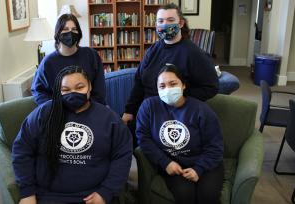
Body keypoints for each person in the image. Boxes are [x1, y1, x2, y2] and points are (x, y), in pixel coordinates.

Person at [13, 66, 132, 204]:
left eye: (80, 87)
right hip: (48, 195)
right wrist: (27, 193)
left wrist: (106, 192)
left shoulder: (109, 118)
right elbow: (22, 150)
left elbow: (122, 156)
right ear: (58, 91)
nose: (73, 93)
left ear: (90, 87)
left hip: (94, 195)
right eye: (65, 90)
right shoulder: (43, 113)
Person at [136, 64, 223, 204]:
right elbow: (143, 138)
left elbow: (215, 146)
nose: (168, 89)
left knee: (208, 197)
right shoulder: (148, 107)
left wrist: (198, 169)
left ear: (183, 85)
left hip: (206, 163)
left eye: (173, 84)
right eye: (162, 86)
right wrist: (165, 163)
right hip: (173, 165)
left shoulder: (202, 110)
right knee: (185, 196)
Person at [122, 3, 218, 125]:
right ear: (156, 24)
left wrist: (179, 96)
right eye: (160, 21)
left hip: (178, 114)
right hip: (147, 111)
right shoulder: (152, 50)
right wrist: (129, 110)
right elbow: (139, 81)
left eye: (170, 20)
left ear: (181, 23)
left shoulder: (194, 53)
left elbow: (212, 87)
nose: (165, 24)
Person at [31, 14, 106, 106]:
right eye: (65, 29)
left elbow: (100, 90)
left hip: (89, 108)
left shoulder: (91, 55)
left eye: (74, 29)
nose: (70, 33)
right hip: (60, 112)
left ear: (79, 33)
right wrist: (55, 108)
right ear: (58, 34)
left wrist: (87, 108)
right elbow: (38, 91)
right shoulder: (48, 62)